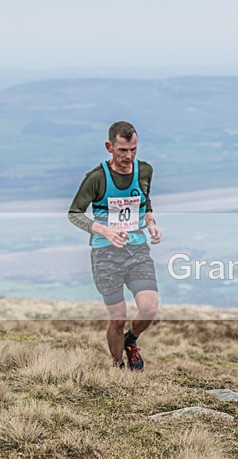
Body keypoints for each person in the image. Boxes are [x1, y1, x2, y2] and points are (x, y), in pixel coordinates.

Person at [68, 121, 162, 371]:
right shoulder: (96, 178)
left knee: (149, 308)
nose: (128, 156)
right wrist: (104, 230)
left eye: (133, 149)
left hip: (137, 249)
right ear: (110, 147)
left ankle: (131, 341)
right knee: (118, 318)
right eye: (122, 150)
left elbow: (145, 199)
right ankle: (117, 364)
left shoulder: (144, 170)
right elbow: (74, 212)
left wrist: (150, 221)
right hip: (105, 253)